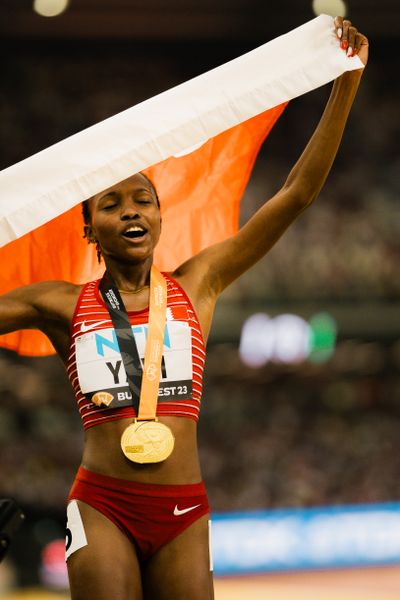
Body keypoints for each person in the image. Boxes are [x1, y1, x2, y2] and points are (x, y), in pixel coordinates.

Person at [0, 17, 368, 600]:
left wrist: (347, 80)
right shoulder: (59, 303)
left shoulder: (201, 283)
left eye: (142, 199)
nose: (130, 211)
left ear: (160, 216)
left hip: (183, 511)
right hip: (102, 505)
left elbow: (295, 194)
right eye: (111, 204)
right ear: (88, 227)